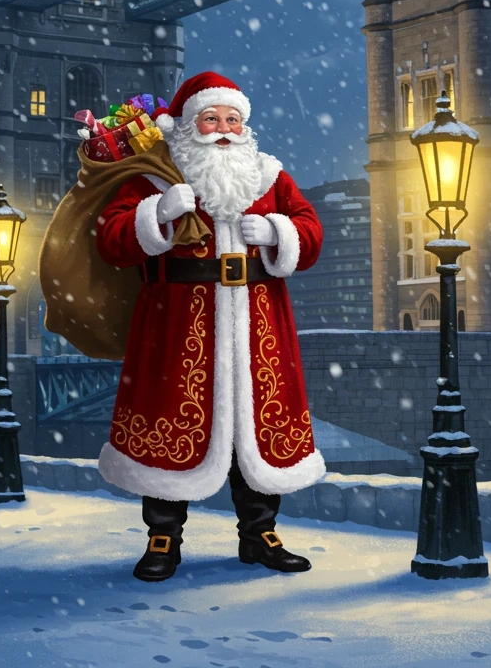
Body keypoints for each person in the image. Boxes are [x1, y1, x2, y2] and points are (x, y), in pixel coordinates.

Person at [95, 71, 325, 581]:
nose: (223, 129)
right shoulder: (155, 175)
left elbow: (310, 230)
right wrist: (156, 214)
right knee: (171, 425)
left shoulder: (268, 175)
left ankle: (260, 533)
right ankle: (162, 536)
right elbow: (110, 239)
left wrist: (276, 231)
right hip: (177, 325)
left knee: (256, 429)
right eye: (212, 118)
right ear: (187, 124)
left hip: (258, 324)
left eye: (232, 119)